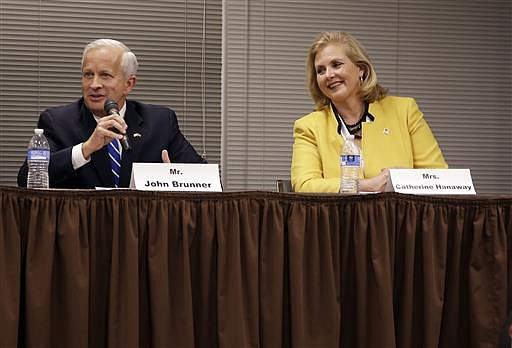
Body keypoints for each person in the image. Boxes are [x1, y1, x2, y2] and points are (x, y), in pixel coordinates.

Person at [18, 38, 205, 189]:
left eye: (105, 75)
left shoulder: (160, 122)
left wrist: (177, 179)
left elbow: (206, 180)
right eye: (88, 75)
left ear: (129, 84)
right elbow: (26, 177)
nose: (94, 85)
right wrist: (85, 149)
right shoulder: (57, 122)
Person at [291, 31, 447, 193]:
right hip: (339, 217)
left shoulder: (404, 111)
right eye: (320, 70)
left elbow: (439, 177)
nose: (328, 75)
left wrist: (399, 180)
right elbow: (304, 185)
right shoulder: (309, 127)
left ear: (361, 69)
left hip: (399, 216)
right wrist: (363, 185)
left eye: (336, 65)